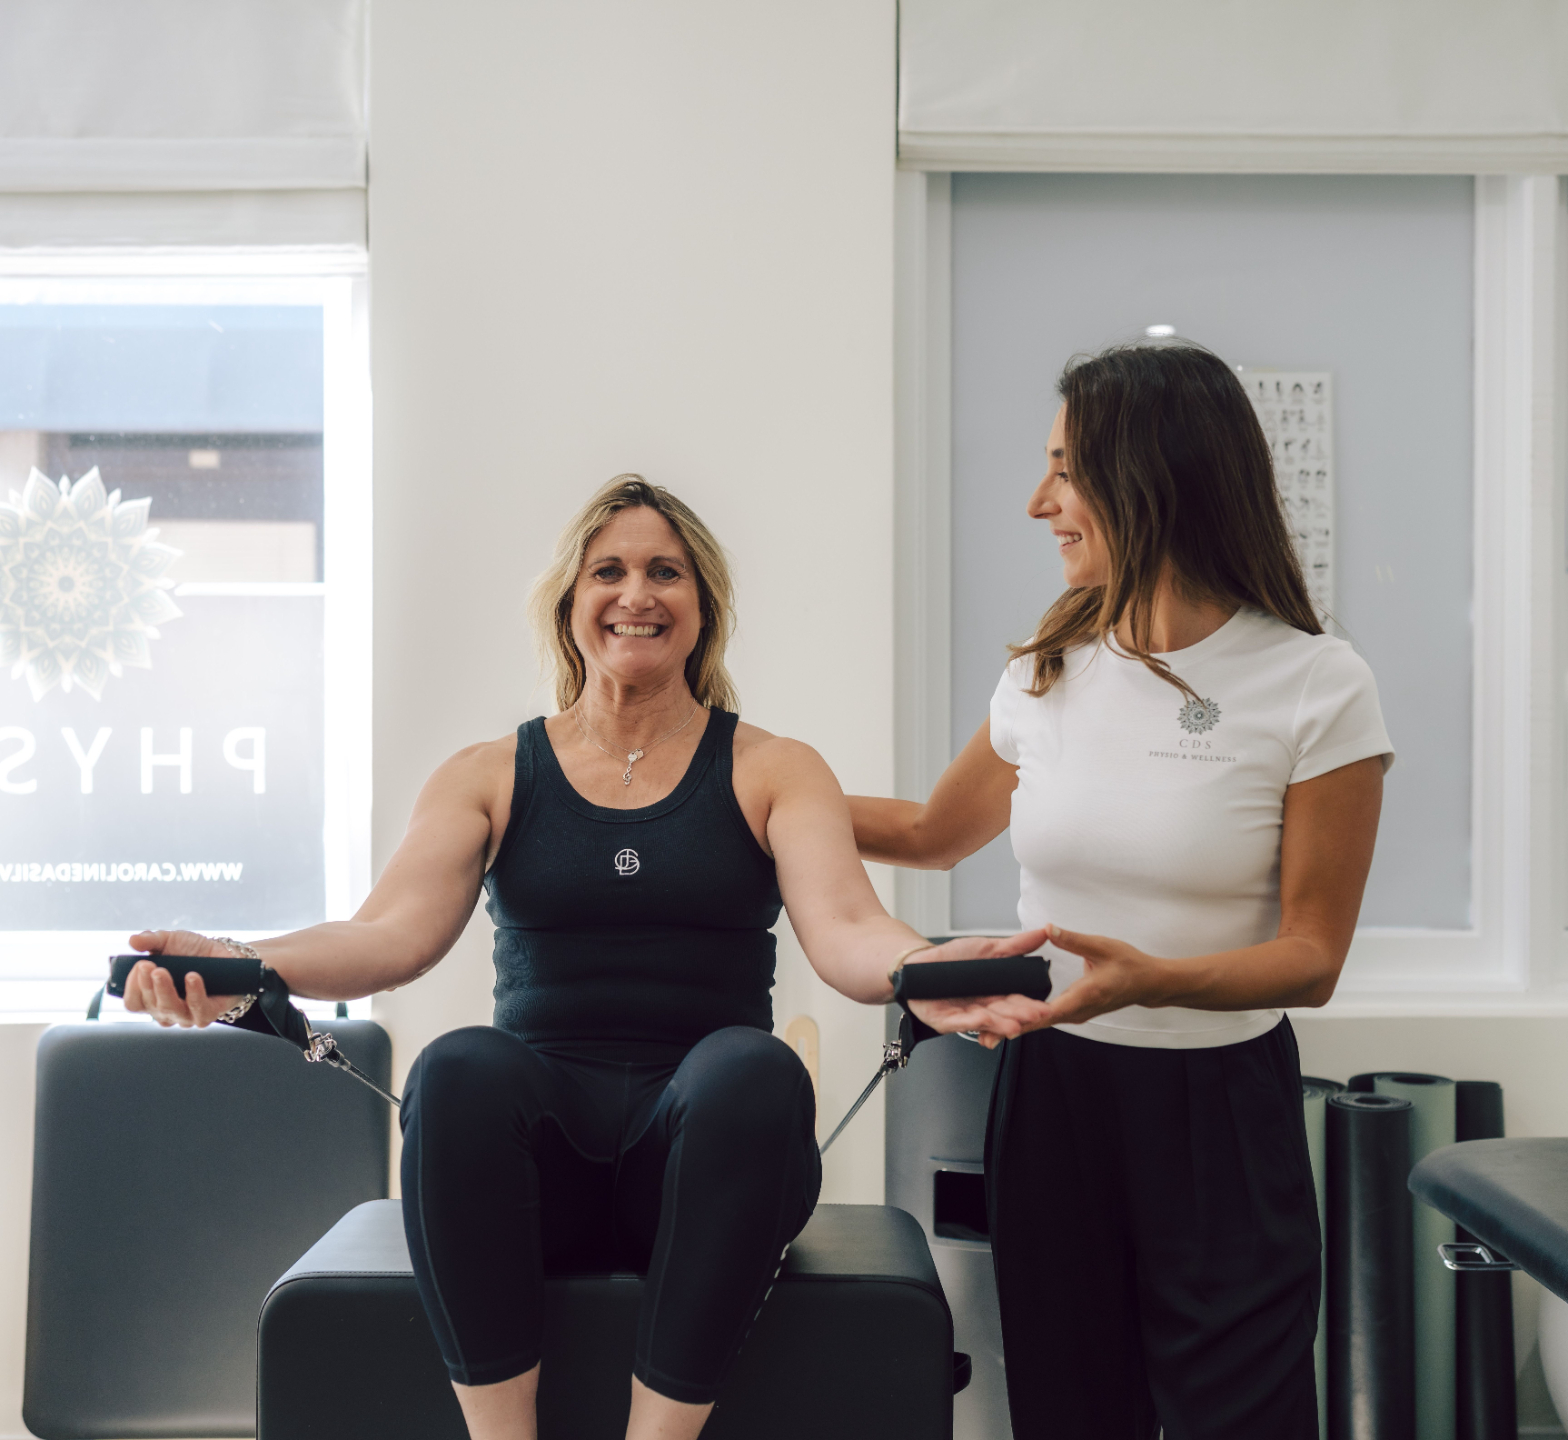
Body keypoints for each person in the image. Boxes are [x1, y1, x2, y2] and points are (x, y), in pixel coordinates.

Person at [122, 473, 1043, 1440]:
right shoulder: (489, 772)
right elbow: (383, 936)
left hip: (708, 1154)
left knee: (754, 1068)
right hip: (541, 1168)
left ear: (705, 609)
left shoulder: (773, 768)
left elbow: (851, 927)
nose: (636, 594)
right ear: (568, 604)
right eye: (609, 571)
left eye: (666, 573)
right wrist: (237, 961)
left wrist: (925, 973)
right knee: (458, 1067)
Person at [850, 344, 1392, 1439]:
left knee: (1241, 1418)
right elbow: (928, 835)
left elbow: (1311, 957)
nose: (1037, 502)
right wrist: (743, 785)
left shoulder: (1314, 683)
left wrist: (1153, 980)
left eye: (1065, 470)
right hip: (1053, 1096)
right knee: (1068, 1411)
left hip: (1219, 1110)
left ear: (1152, 478)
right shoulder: (1049, 666)